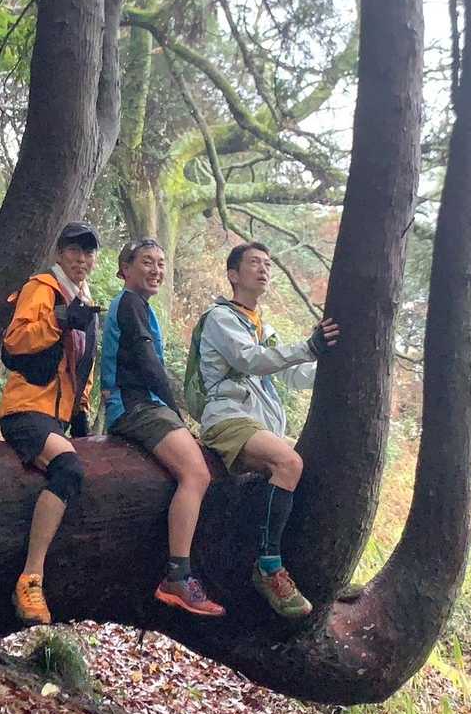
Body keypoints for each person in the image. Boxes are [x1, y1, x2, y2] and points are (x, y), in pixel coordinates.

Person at [189, 241, 338, 618]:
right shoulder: (221, 318)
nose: (263, 270)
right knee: (289, 462)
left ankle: (297, 562)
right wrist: (308, 346)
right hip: (228, 420)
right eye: (254, 263)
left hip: (259, 424)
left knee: (309, 466)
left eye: (268, 264)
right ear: (233, 275)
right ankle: (269, 567)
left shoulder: (262, 326)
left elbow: (293, 376)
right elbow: (251, 360)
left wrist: (333, 361)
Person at [102, 239, 225, 619]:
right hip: (135, 406)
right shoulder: (130, 304)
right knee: (196, 474)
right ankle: (177, 576)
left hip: (143, 403)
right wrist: (176, 411)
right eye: (146, 262)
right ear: (125, 268)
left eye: (160, 263)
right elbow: (147, 362)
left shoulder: (140, 307)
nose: (156, 270)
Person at [0, 222, 102, 625]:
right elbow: (15, 342)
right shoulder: (42, 288)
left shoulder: (86, 300)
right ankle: (30, 578)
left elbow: (83, 365)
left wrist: (82, 412)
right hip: (26, 410)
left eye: (88, 253)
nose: (82, 259)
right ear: (60, 253)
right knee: (68, 469)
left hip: (58, 417)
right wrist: (59, 319)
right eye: (75, 251)